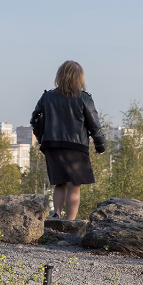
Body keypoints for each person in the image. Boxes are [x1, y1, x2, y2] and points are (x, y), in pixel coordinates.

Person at [31, 60, 106, 220]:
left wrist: (41, 139)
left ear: (60, 76)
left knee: (60, 182)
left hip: (52, 145)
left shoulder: (47, 96)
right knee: (74, 185)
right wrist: (100, 145)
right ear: (80, 78)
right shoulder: (84, 98)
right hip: (75, 146)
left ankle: (56, 214)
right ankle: (71, 222)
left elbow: (35, 119)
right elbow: (94, 124)